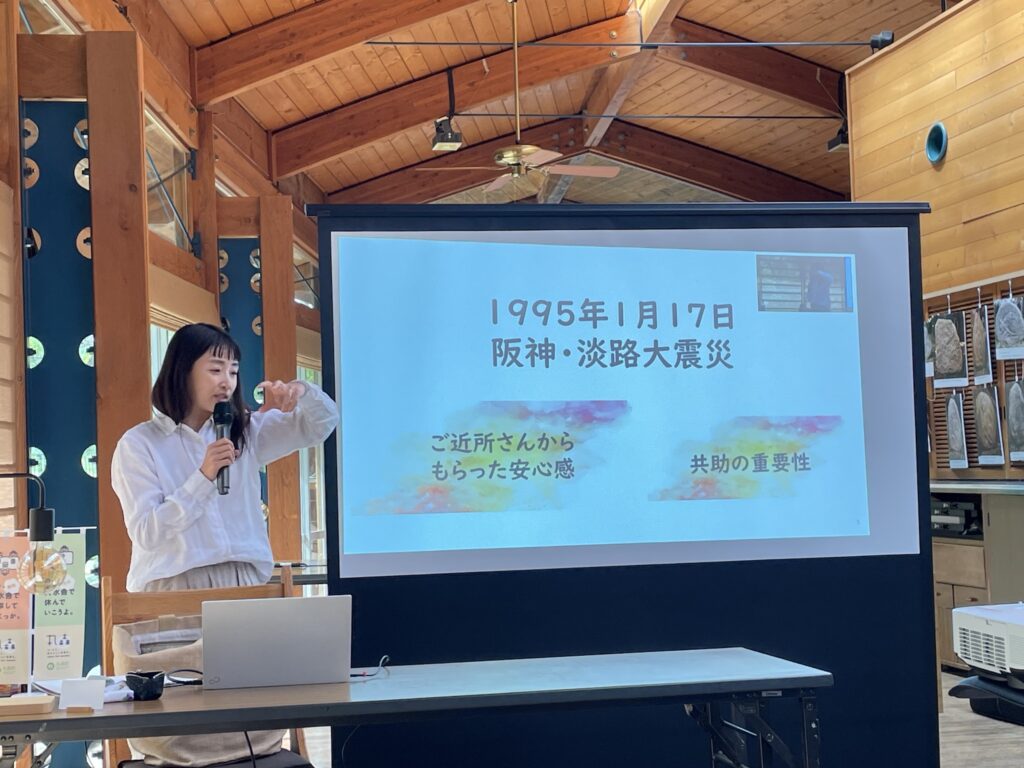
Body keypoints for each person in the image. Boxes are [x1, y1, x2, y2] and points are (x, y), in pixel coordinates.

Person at [111, 322, 338, 593]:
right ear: (183, 371)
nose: (226, 382)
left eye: (233, 371)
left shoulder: (246, 430)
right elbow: (147, 533)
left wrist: (302, 391)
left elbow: (323, 423)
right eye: (216, 370)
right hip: (173, 586)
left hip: (244, 580)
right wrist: (203, 477)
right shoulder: (140, 443)